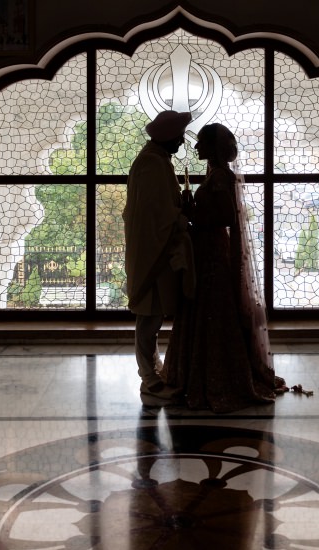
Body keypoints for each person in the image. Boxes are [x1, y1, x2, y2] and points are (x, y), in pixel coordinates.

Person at [162, 123, 286, 413]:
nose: (196, 148)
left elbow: (226, 216)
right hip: (208, 248)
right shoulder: (215, 175)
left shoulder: (220, 177)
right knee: (205, 308)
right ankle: (205, 373)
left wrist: (192, 211)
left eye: (201, 142)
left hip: (212, 251)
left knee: (210, 308)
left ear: (213, 147)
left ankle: (213, 376)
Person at [123, 110, 196, 401]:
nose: (181, 142)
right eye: (178, 137)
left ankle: (152, 368)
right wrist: (182, 215)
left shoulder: (156, 159)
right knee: (149, 316)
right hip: (152, 249)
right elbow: (157, 213)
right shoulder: (152, 164)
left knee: (153, 314)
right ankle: (148, 376)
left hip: (155, 247)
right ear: (169, 137)